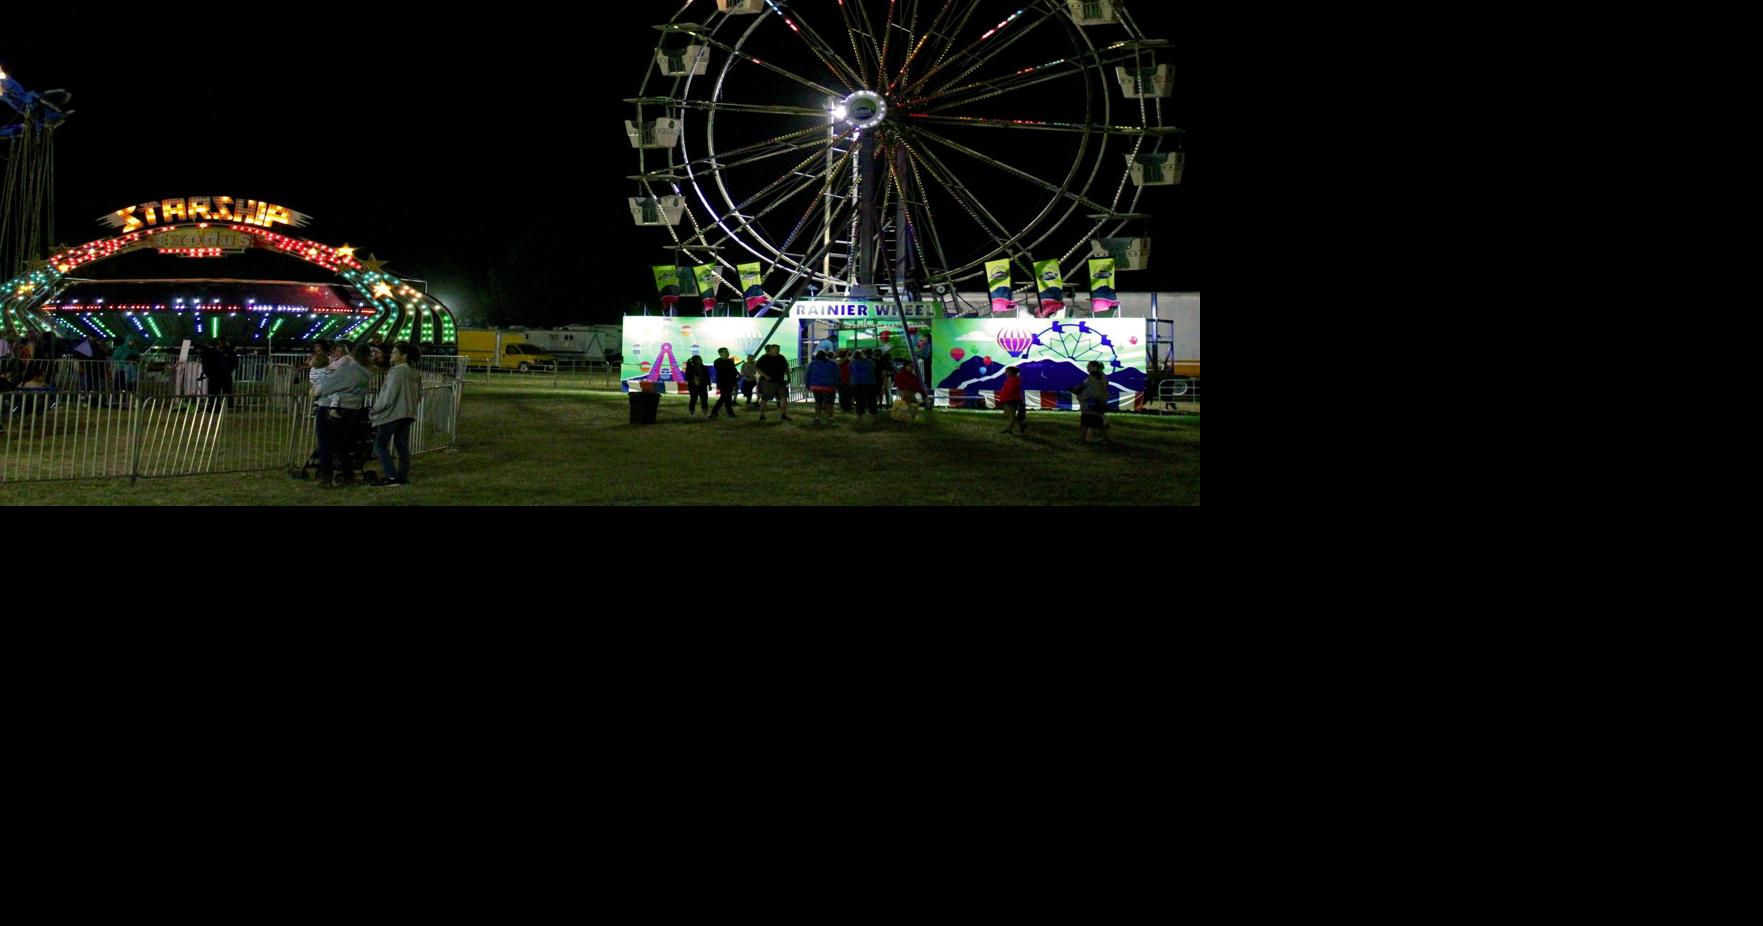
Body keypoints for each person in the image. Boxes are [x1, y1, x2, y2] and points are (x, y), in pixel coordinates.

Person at [313, 342, 372, 486]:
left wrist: (315, 391)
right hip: (351, 409)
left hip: (331, 407)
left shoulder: (349, 370)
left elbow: (327, 385)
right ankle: (348, 475)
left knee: (325, 444)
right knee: (343, 445)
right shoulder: (366, 373)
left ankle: (326, 477)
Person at [370, 341, 422, 486]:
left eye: (394, 352)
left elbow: (388, 395)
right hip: (407, 413)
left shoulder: (396, 371)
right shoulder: (414, 372)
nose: (391, 354)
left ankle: (391, 476)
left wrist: (375, 409)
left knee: (380, 444)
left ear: (403, 356)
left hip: (393, 414)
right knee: (402, 446)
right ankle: (402, 475)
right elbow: (419, 394)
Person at [1073, 360, 1114, 447]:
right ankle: (1084, 438)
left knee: (1094, 422)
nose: (1087, 368)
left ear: (1095, 367)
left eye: (1089, 366)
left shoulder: (1096, 377)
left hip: (1093, 403)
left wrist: (1081, 396)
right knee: (1089, 422)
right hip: (1094, 402)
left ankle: (1104, 439)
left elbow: (1093, 391)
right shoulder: (1098, 376)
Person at [754, 343, 792, 421]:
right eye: (776, 349)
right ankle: (761, 415)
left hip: (780, 381)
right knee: (765, 398)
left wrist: (788, 377)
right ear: (771, 349)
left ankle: (783, 414)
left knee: (784, 397)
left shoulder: (781, 357)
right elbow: (757, 369)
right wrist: (765, 376)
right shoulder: (764, 358)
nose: (778, 350)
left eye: (779, 349)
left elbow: (786, 368)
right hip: (767, 382)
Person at [806, 350, 840, 424]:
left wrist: (808, 385)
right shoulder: (832, 364)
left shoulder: (812, 364)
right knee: (829, 403)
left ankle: (817, 417)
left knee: (818, 402)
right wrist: (837, 385)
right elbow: (837, 375)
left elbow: (808, 375)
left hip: (816, 386)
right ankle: (830, 417)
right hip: (829, 386)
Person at [995, 365, 1027, 434]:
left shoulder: (1013, 380)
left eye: (1006, 371)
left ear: (1011, 372)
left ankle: (1009, 429)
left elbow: (1010, 390)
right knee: (1009, 414)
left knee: (1011, 415)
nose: (1005, 373)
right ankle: (1021, 424)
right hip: (1009, 399)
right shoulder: (1011, 379)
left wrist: (1004, 397)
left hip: (1011, 400)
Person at [710, 347, 740, 419]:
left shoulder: (730, 361)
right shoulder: (717, 361)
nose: (727, 352)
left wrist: (737, 374)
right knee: (725, 397)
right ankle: (727, 412)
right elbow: (723, 371)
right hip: (723, 382)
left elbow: (734, 370)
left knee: (726, 397)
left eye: (727, 351)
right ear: (720, 353)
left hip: (730, 382)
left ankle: (717, 412)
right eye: (725, 351)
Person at [849, 349, 877, 417]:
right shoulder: (869, 361)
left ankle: (860, 415)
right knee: (871, 399)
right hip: (869, 382)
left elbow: (850, 372)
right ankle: (872, 414)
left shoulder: (852, 362)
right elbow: (874, 368)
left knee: (859, 400)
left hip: (857, 383)